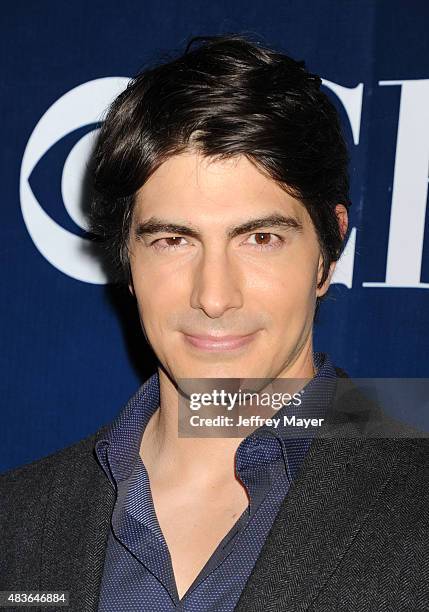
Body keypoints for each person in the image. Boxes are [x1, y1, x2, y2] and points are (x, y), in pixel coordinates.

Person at [1, 34, 428, 612]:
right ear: (128, 258)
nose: (215, 296)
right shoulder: (16, 517)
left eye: (260, 238)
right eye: (174, 240)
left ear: (328, 251)